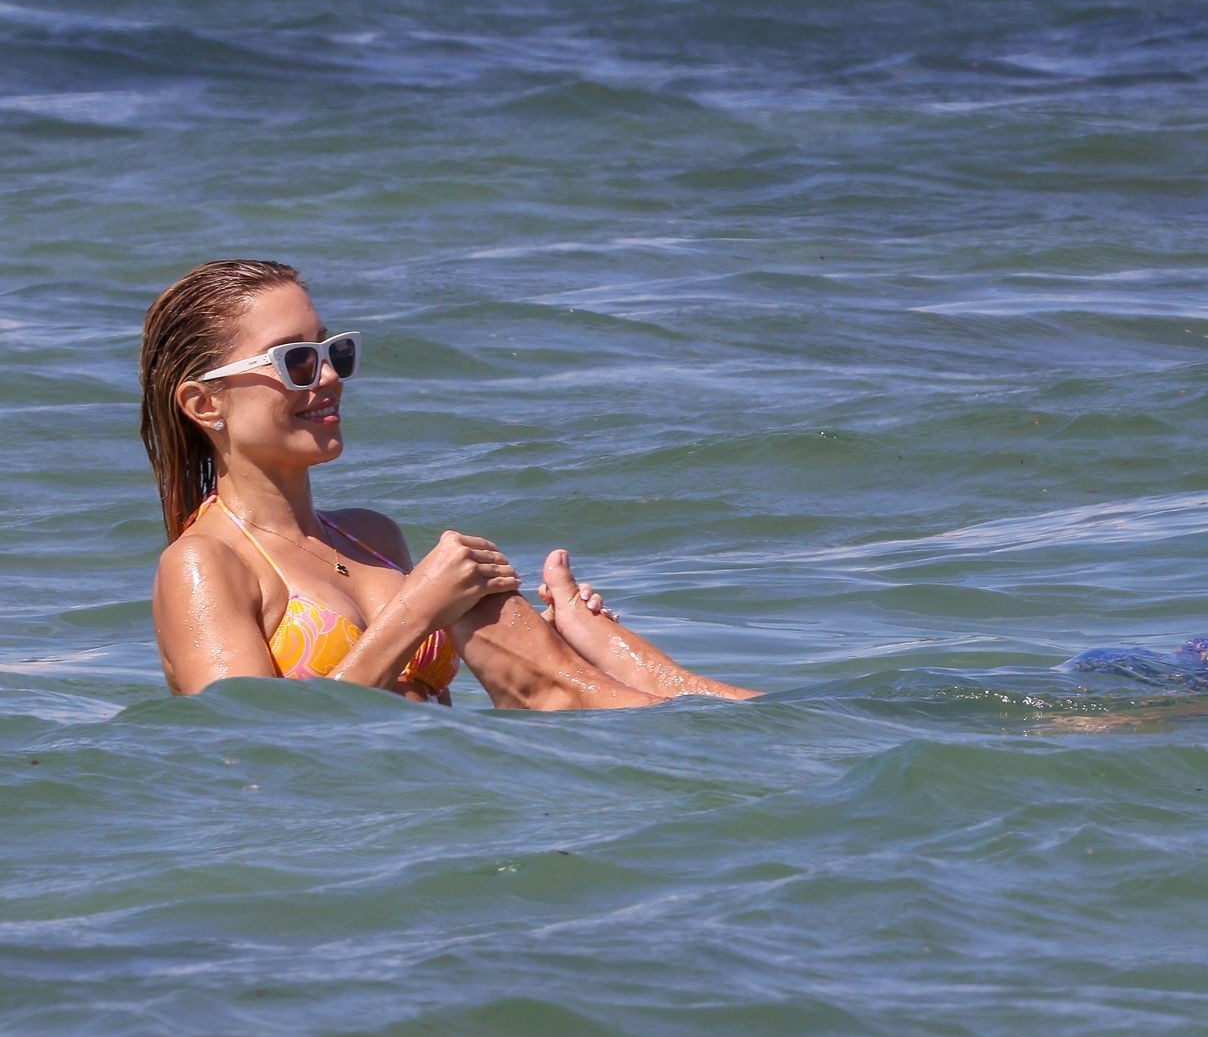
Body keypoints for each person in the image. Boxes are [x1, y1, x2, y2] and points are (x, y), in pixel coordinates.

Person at [139, 258, 758, 708]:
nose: (328, 377)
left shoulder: (370, 537)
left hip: (435, 804)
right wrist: (416, 611)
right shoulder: (204, 564)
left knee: (620, 674)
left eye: (333, 352)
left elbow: (456, 716)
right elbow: (256, 750)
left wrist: (565, 639)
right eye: (295, 361)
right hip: (338, 830)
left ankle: (706, 703)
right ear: (203, 403)